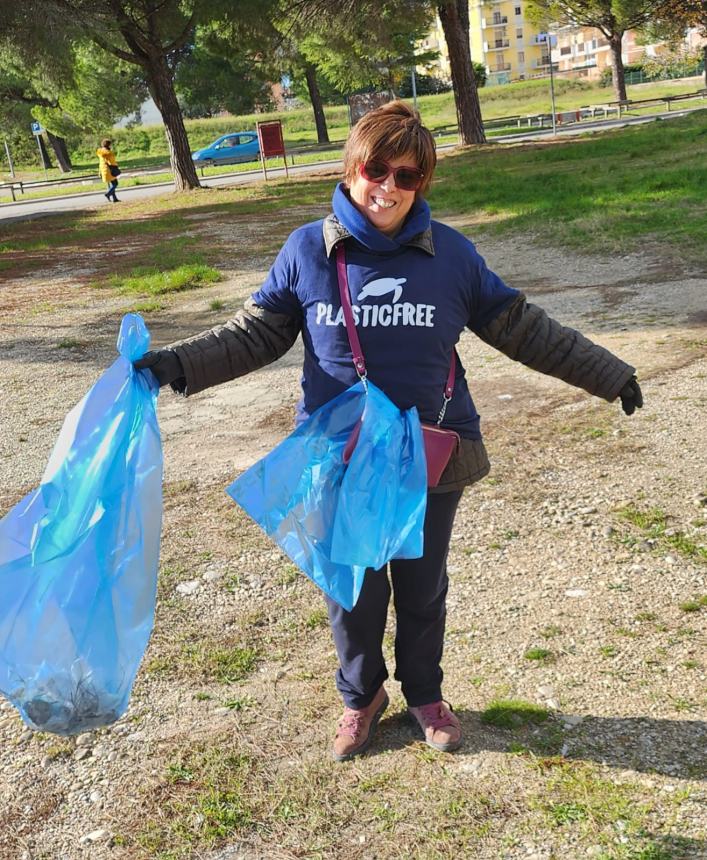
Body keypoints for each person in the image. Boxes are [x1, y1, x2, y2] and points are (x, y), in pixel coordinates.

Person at [134, 101, 643, 762]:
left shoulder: (451, 256)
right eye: (376, 168)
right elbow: (256, 332)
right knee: (352, 591)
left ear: (421, 184)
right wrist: (177, 363)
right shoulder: (308, 252)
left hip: (430, 452)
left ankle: (425, 695)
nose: (388, 187)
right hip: (339, 455)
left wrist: (608, 373)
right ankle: (361, 697)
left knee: (421, 585)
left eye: (407, 176)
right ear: (352, 168)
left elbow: (521, 326)